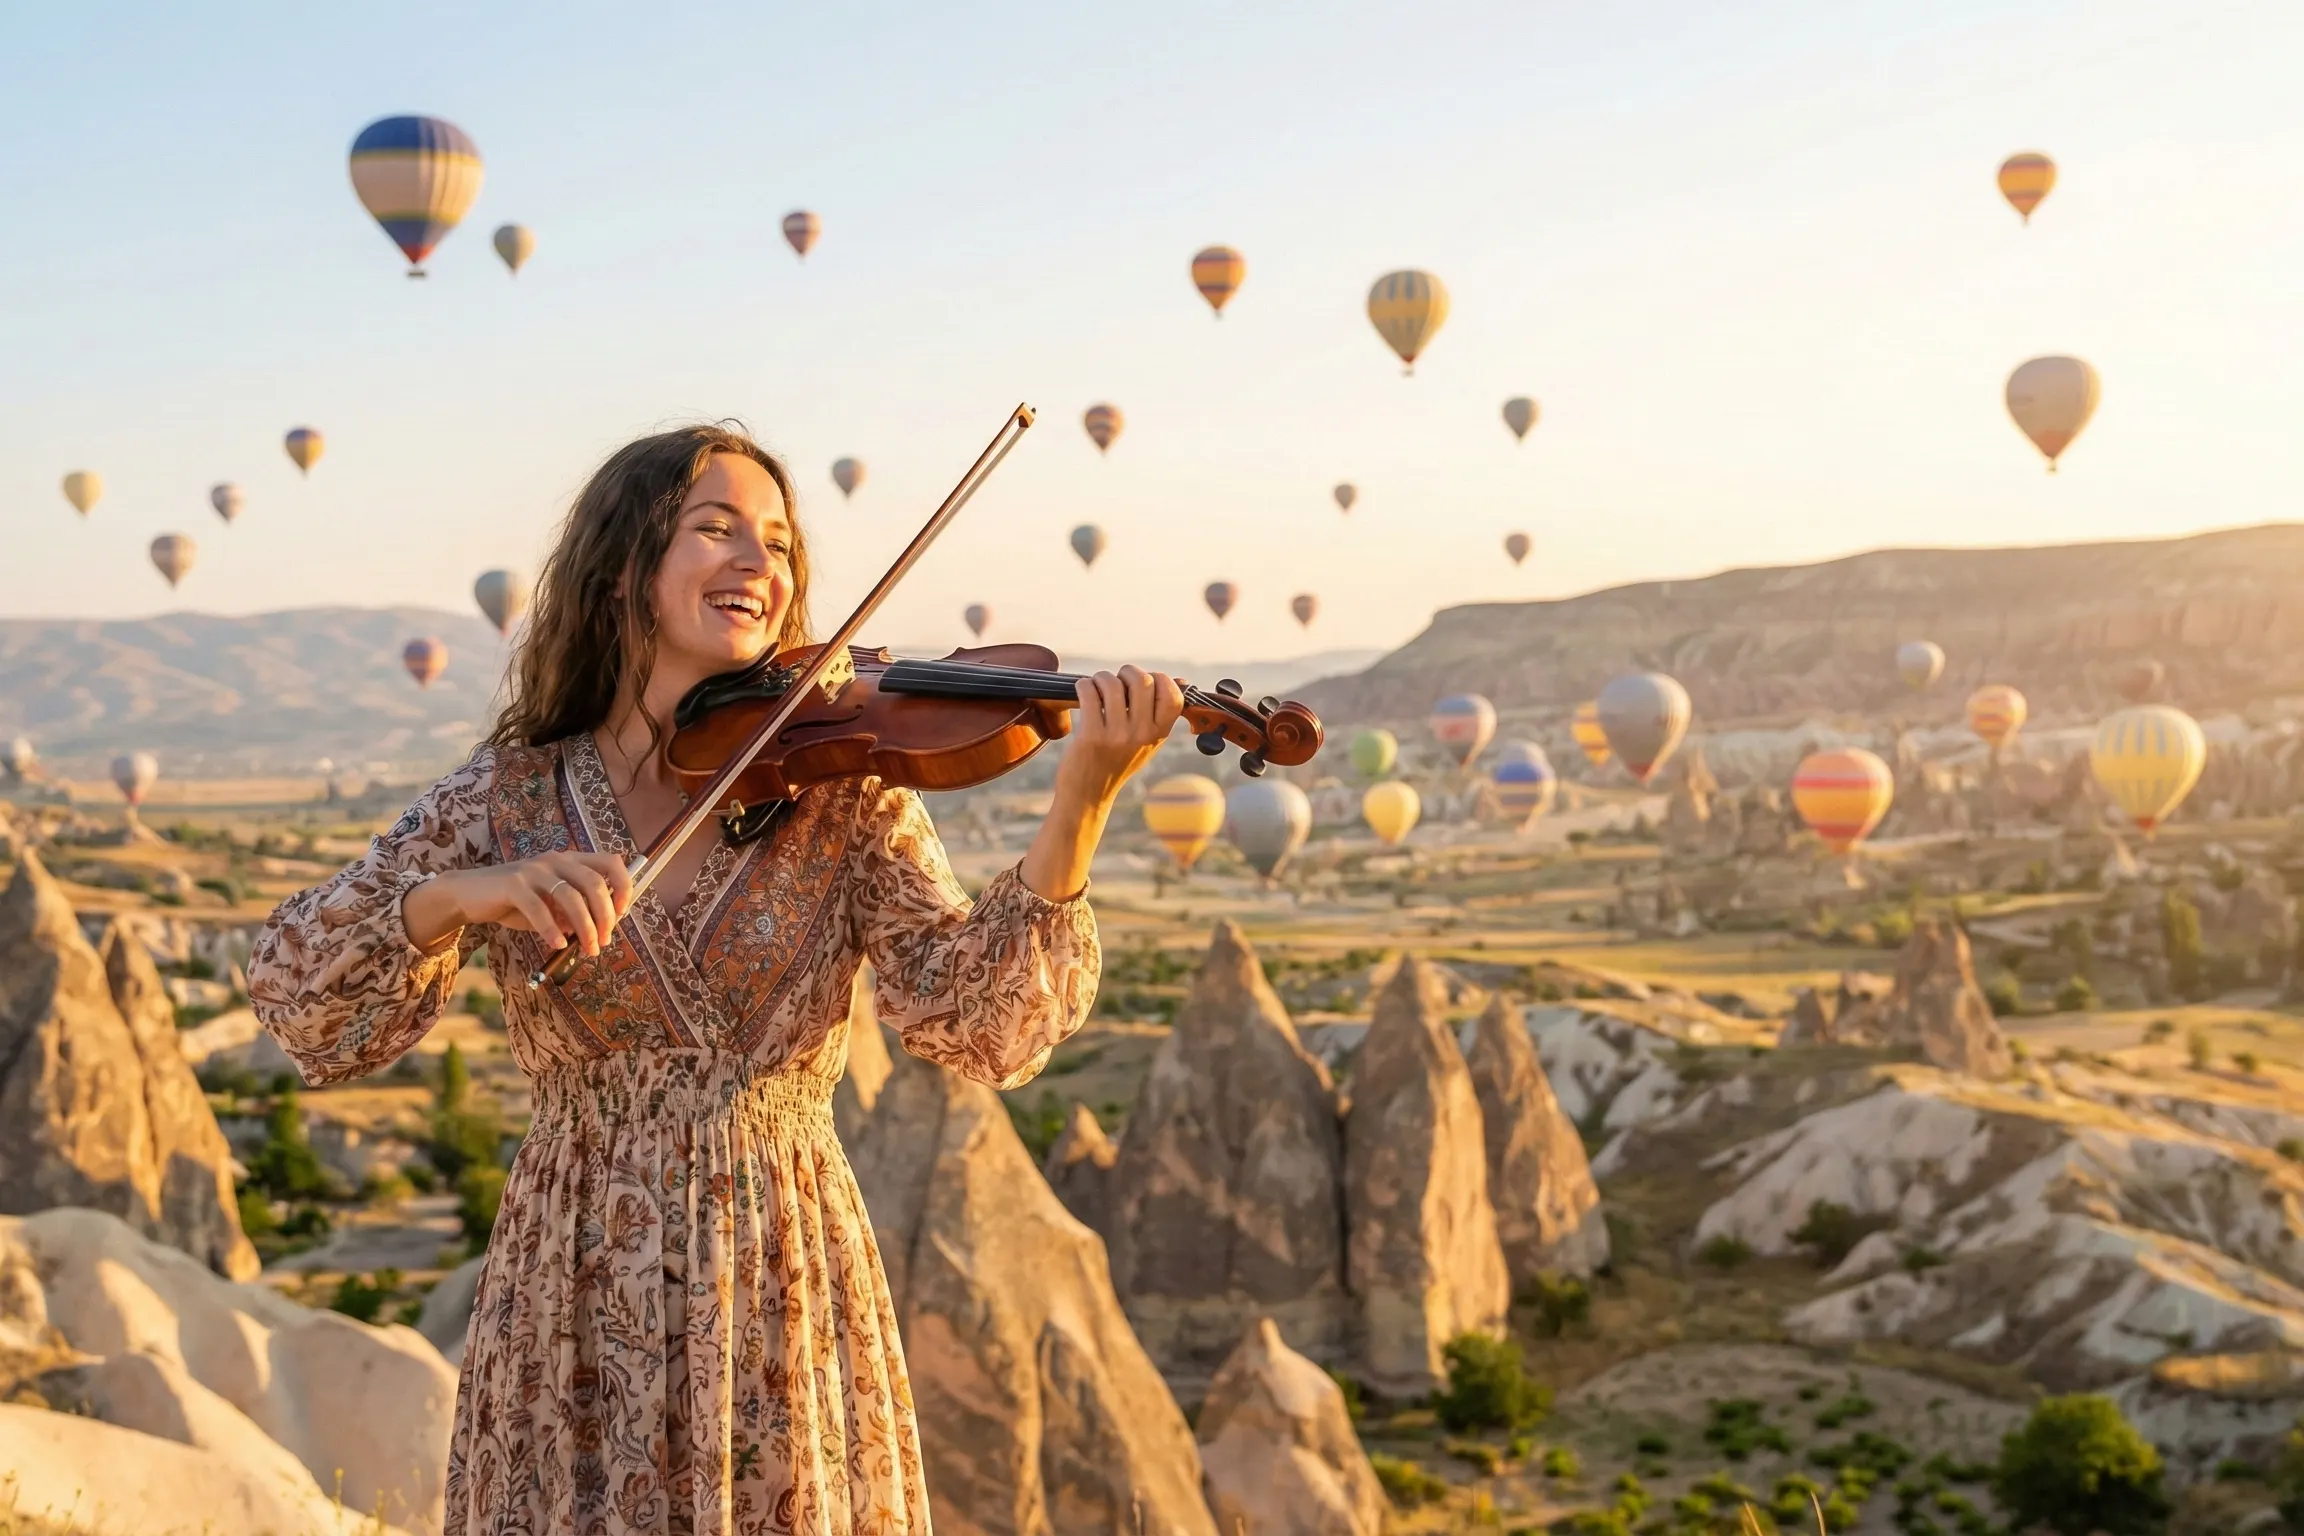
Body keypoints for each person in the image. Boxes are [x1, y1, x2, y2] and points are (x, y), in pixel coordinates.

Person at [248, 423, 1183, 1534]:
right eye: (717, 528)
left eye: (780, 544)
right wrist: (463, 898)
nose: (760, 563)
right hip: (573, 1275)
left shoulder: (846, 791)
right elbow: (300, 992)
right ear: (624, 569)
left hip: (781, 1265)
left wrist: (1081, 799)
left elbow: (980, 1027)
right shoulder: (504, 799)